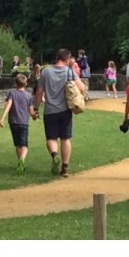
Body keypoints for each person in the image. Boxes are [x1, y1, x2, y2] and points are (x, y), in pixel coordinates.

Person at [34, 48, 85, 178]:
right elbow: (81, 88)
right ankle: (65, 168)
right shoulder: (69, 71)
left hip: (50, 111)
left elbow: (39, 92)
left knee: (51, 138)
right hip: (65, 110)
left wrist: (36, 108)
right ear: (67, 59)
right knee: (65, 138)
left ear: (57, 58)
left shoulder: (46, 72)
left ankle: (54, 155)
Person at [0, 73, 39, 173]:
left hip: (13, 122)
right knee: (24, 144)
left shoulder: (12, 93)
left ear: (15, 84)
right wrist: (35, 116)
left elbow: (8, 105)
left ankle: (20, 164)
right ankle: (22, 160)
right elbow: (31, 112)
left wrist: (2, 118)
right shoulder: (29, 96)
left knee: (17, 144)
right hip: (24, 122)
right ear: (25, 84)